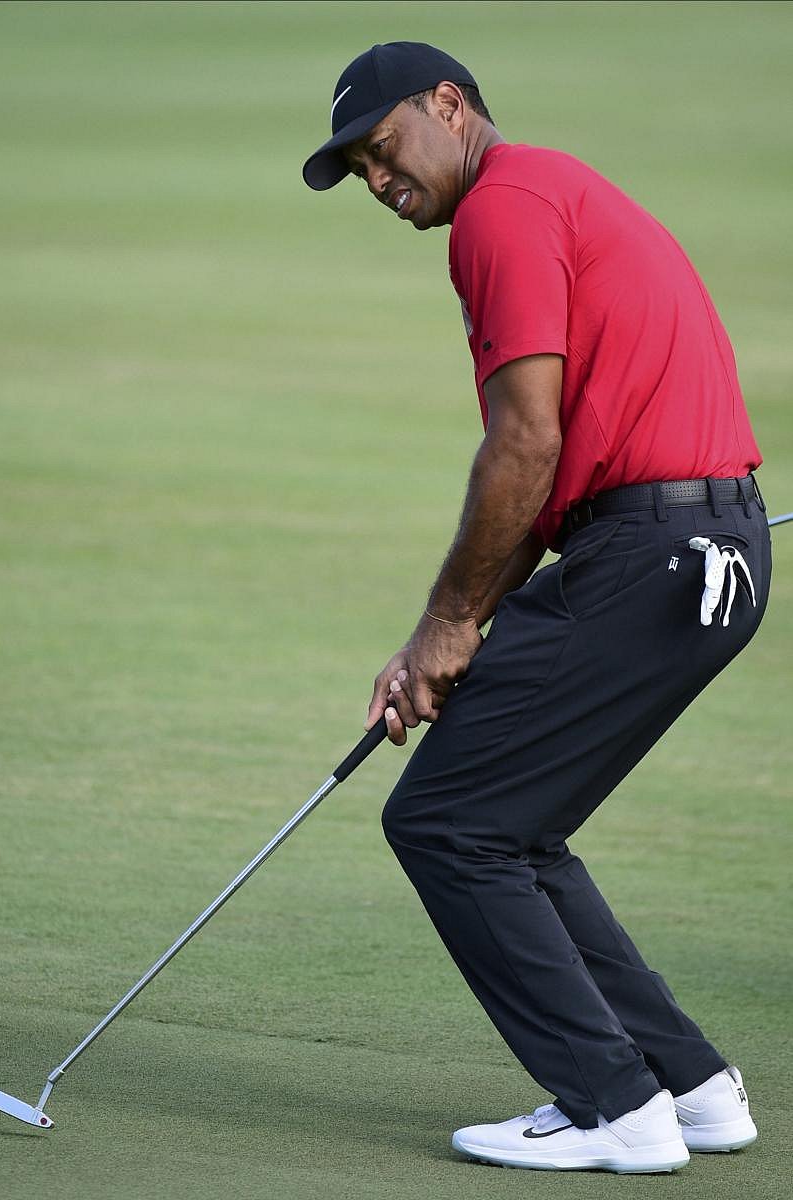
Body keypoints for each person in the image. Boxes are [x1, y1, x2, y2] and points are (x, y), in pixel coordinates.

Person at [302, 42, 770, 1174]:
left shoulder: (498, 213)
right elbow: (550, 482)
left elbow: (523, 443)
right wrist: (440, 639)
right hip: (711, 552)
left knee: (445, 824)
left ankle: (613, 1107)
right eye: (360, 168)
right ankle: (687, 1087)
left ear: (449, 107)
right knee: (507, 823)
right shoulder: (553, 187)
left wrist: (446, 624)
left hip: (649, 554)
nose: (377, 179)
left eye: (383, 147)